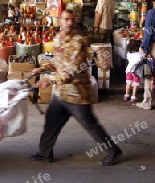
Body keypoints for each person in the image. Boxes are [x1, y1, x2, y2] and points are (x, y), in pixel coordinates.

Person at [30, 9, 122, 166]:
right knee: (51, 123)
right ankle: (44, 152)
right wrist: (43, 68)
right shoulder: (58, 39)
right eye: (66, 19)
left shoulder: (78, 42)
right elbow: (58, 62)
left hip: (77, 94)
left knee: (90, 125)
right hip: (61, 93)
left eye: (72, 19)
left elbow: (71, 71)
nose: (69, 22)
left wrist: (49, 80)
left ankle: (113, 151)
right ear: (60, 21)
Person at [124, 39, 145, 103]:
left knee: (128, 83)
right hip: (136, 71)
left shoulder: (129, 53)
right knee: (135, 84)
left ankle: (126, 95)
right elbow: (144, 57)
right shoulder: (140, 54)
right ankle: (133, 97)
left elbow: (128, 59)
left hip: (128, 70)